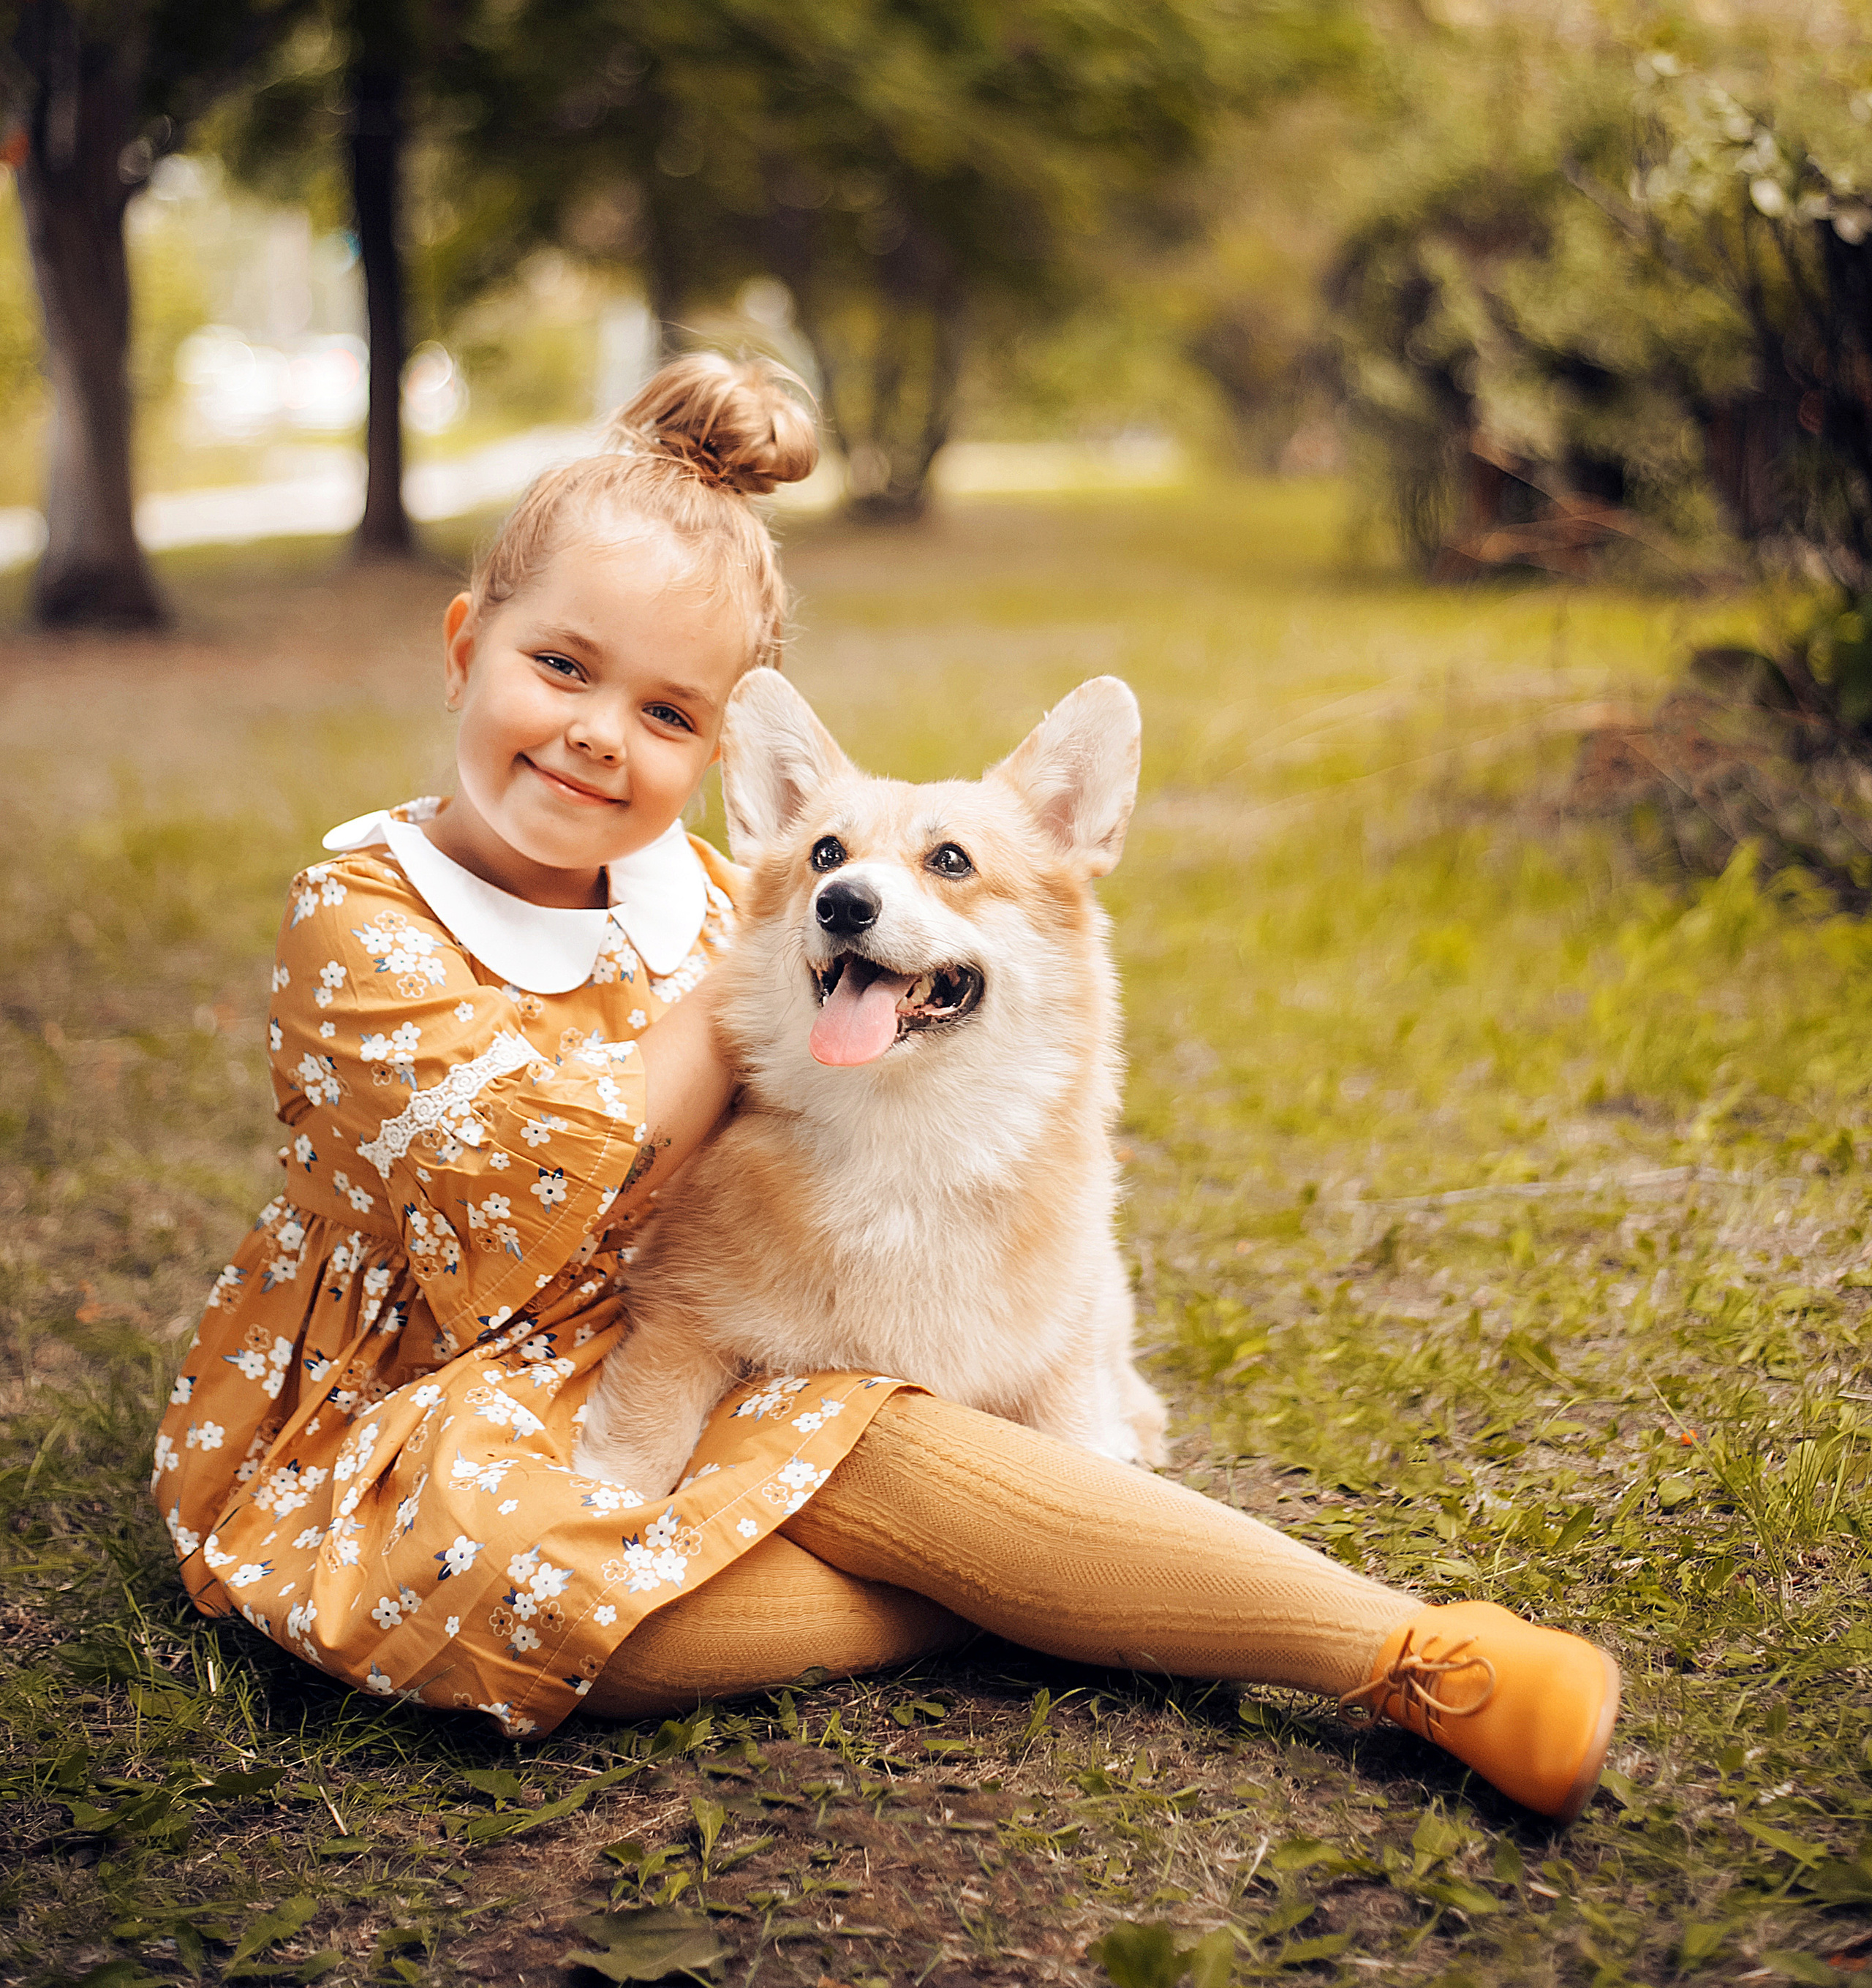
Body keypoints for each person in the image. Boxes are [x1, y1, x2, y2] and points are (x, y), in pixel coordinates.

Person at [154, 352, 1620, 1819]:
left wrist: (801, 953)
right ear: (466, 643)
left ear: (710, 755)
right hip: (434, 1388)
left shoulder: (719, 895)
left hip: (712, 1360)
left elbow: (926, 1074)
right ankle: (1035, 1585)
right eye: (562, 667)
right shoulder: (363, 913)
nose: (601, 732)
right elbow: (511, 1183)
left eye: (667, 714)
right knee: (550, 1601)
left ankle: (1421, 1655)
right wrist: (759, 978)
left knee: (874, 1432)